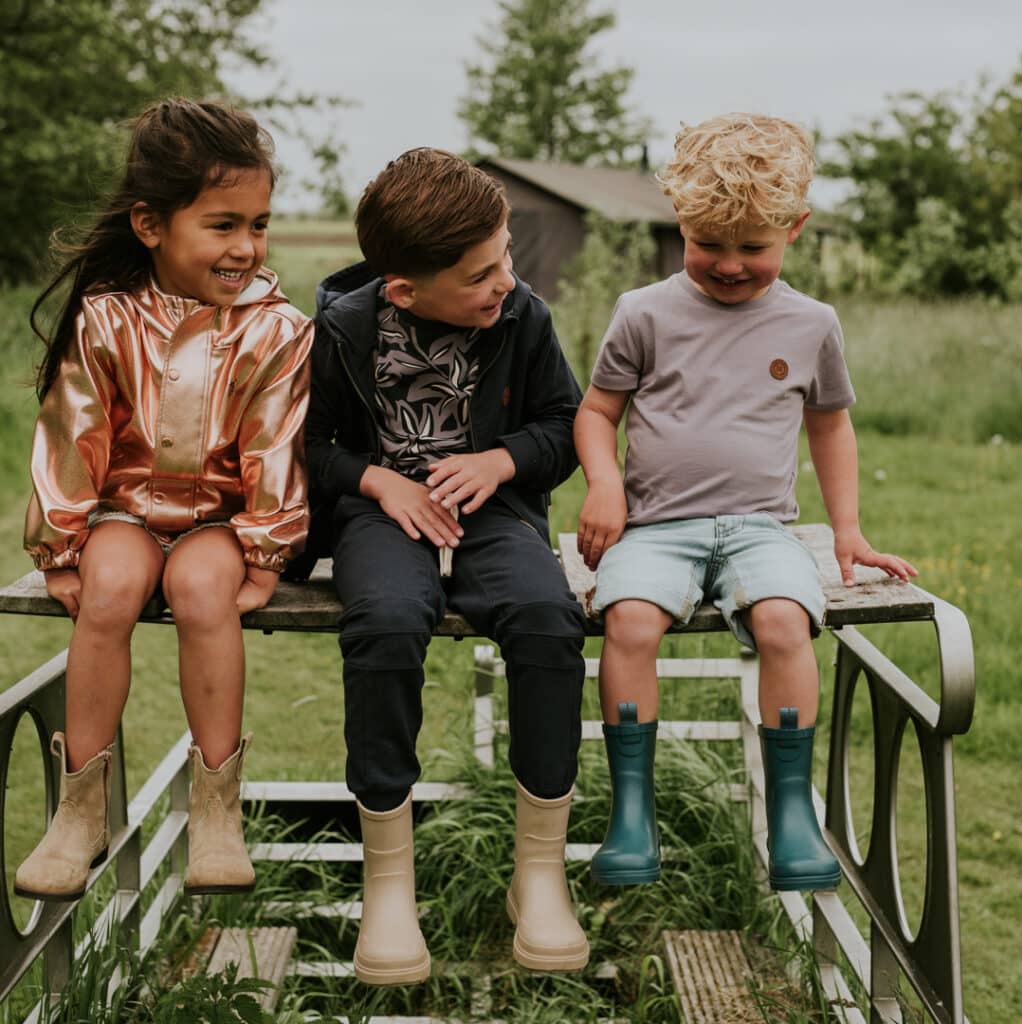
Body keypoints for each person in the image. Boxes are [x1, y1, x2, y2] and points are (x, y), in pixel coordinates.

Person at [574, 113, 917, 893]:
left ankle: (793, 811)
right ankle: (633, 811)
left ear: (795, 229)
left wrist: (850, 531)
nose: (729, 265)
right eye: (708, 244)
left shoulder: (811, 324)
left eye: (753, 248)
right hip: (657, 529)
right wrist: (604, 483)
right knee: (627, 621)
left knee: (783, 622)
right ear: (680, 224)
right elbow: (596, 413)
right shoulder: (643, 313)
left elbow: (830, 427)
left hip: (763, 529)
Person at [15, 98, 313, 903]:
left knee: (203, 590)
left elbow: (272, 444)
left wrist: (264, 547)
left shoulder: (280, 329)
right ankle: (80, 810)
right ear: (151, 224)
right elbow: (73, 432)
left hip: (217, 519)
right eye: (222, 225)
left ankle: (217, 807)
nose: (245, 247)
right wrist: (60, 545)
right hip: (124, 513)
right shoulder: (106, 317)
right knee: (110, 591)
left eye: (258, 224)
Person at [304, 148, 588, 983]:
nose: (503, 282)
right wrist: (377, 479)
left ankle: (539, 870)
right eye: (478, 276)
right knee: (386, 624)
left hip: (495, 515)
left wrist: (501, 463)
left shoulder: (524, 314)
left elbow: (565, 423)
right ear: (402, 291)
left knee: (548, 619)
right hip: (380, 515)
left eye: (504, 258)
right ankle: (389, 881)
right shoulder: (344, 329)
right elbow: (309, 449)